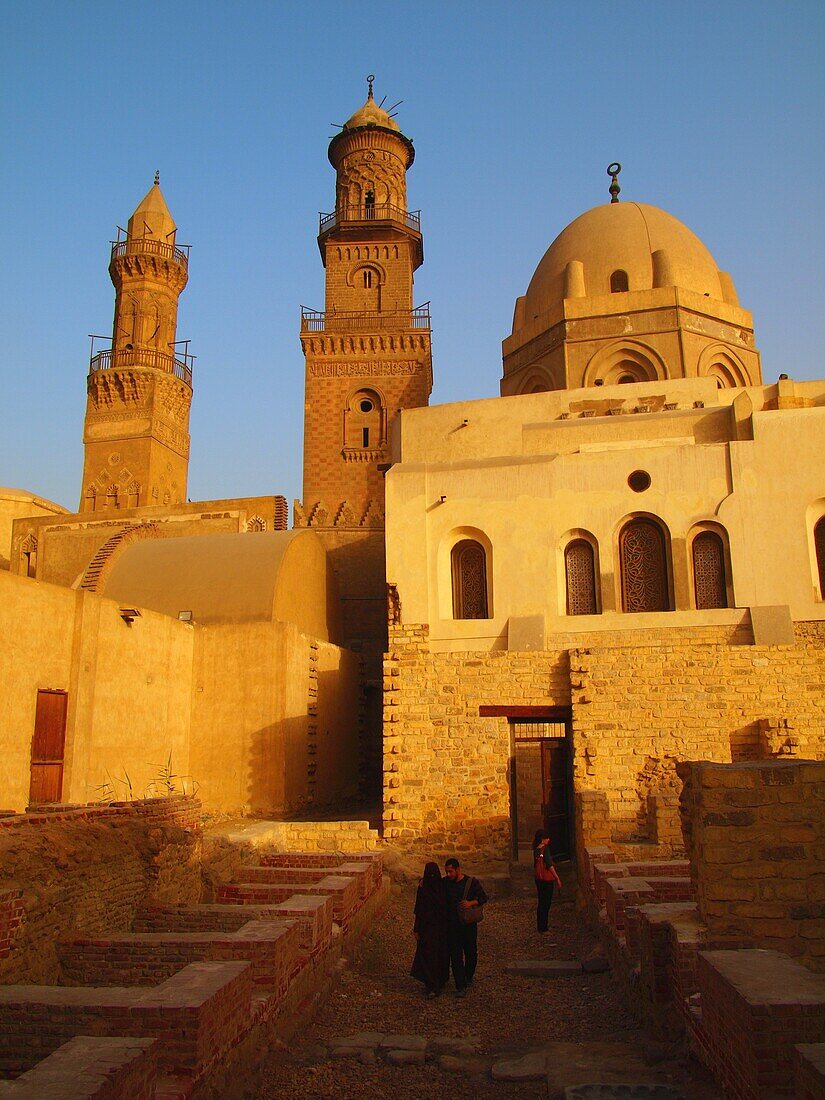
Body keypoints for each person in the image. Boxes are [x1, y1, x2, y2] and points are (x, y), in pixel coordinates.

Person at [444, 857, 488, 996]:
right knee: (456, 956)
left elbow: (483, 898)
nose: (449, 874)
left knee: (471, 953)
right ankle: (460, 985)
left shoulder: (471, 883)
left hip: (468, 925)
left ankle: (468, 976)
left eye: (451, 871)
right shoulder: (445, 883)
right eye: (447, 872)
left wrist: (471, 903)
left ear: (458, 870)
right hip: (453, 925)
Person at [410, 861, 449, 999]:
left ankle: (434, 984)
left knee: (434, 955)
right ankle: (435, 983)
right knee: (434, 955)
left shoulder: (427, 888)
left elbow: (419, 910)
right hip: (435, 929)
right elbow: (420, 910)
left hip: (432, 928)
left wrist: (417, 929)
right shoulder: (440, 887)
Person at [533, 828, 562, 934]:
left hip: (538, 879)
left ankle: (541, 925)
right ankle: (543, 927)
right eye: (547, 838)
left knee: (541, 902)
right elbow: (549, 864)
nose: (549, 839)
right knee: (546, 903)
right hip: (546, 879)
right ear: (542, 839)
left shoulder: (536, 849)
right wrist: (557, 878)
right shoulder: (545, 849)